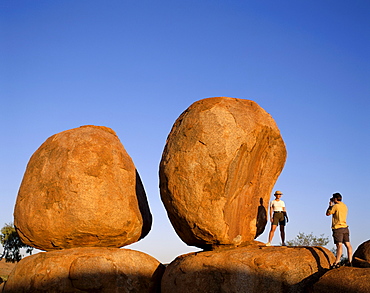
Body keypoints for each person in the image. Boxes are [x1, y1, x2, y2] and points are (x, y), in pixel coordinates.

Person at [326, 192, 353, 268]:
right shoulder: (345, 206)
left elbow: (328, 213)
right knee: (348, 244)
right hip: (345, 227)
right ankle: (350, 261)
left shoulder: (335, 206)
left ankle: (337, 262)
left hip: (338, 228)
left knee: (339, 245)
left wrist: (330, 205)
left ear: (335, 199)